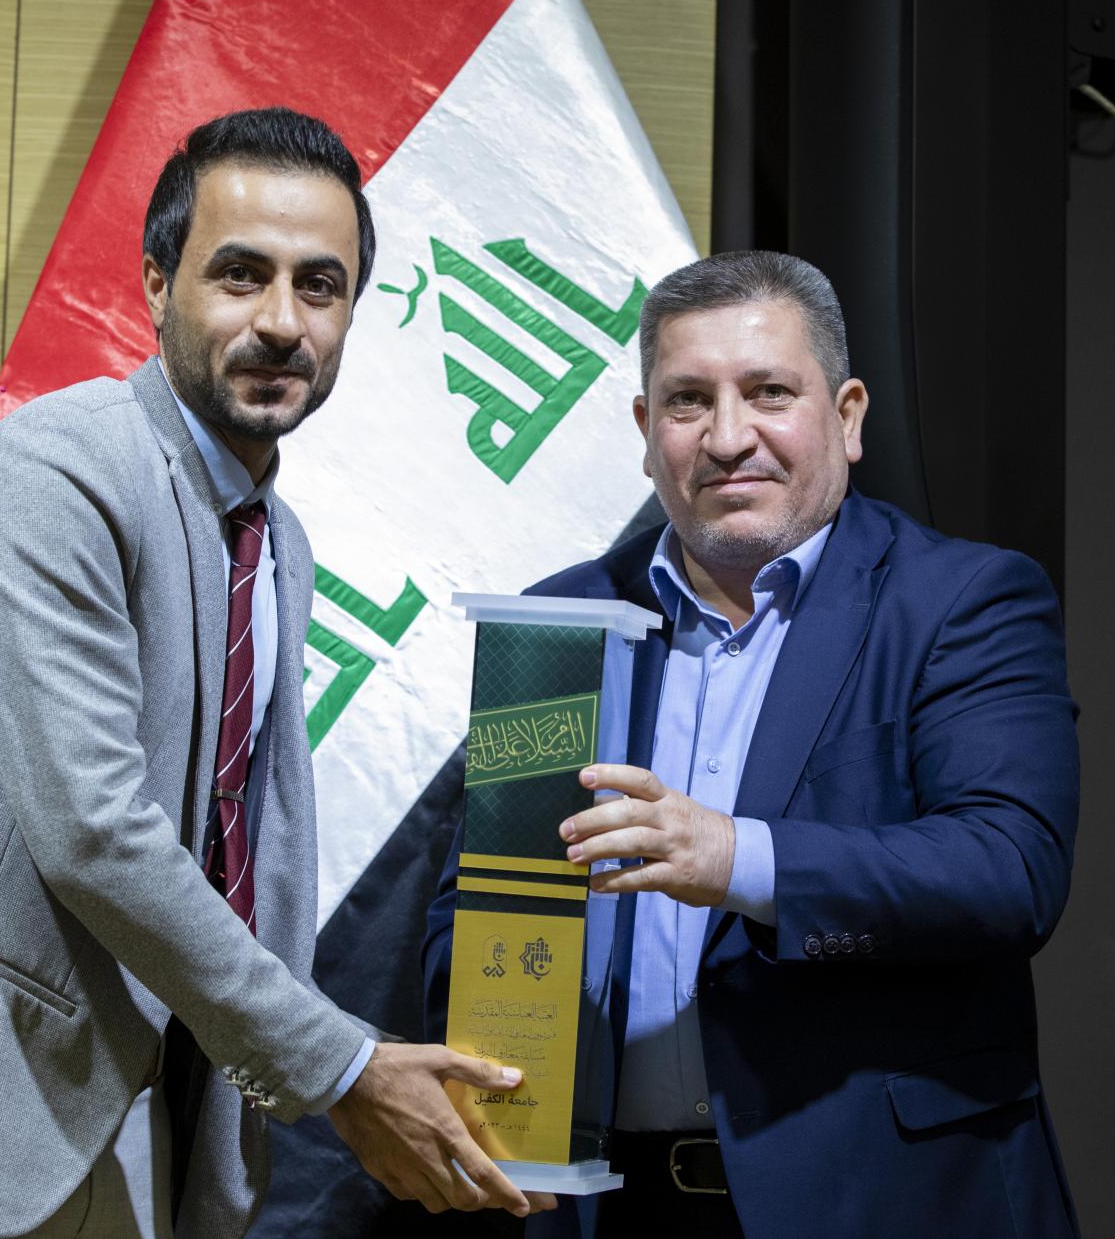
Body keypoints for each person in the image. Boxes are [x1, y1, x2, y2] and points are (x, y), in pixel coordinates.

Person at [0, 108, 545, 1238]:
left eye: (320, 287)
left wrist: (310, 1076)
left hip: (141, 1131)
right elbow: (95, 830)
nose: (282, 321)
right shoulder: (60, 465)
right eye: (241, 275)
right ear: (158, 284)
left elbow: (248, 855)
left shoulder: (277, 540)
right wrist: (342, 1068)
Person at [424, 250, 1082, 1237]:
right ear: (646, 432)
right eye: (688, 401)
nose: (729, 437)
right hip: (605, 1207)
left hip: (880, 1205)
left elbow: (1008, 869)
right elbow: (474, 912)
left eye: (769, 392)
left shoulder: (961, 600)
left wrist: (735, 857)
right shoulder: (562, 622)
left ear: (847, 415)